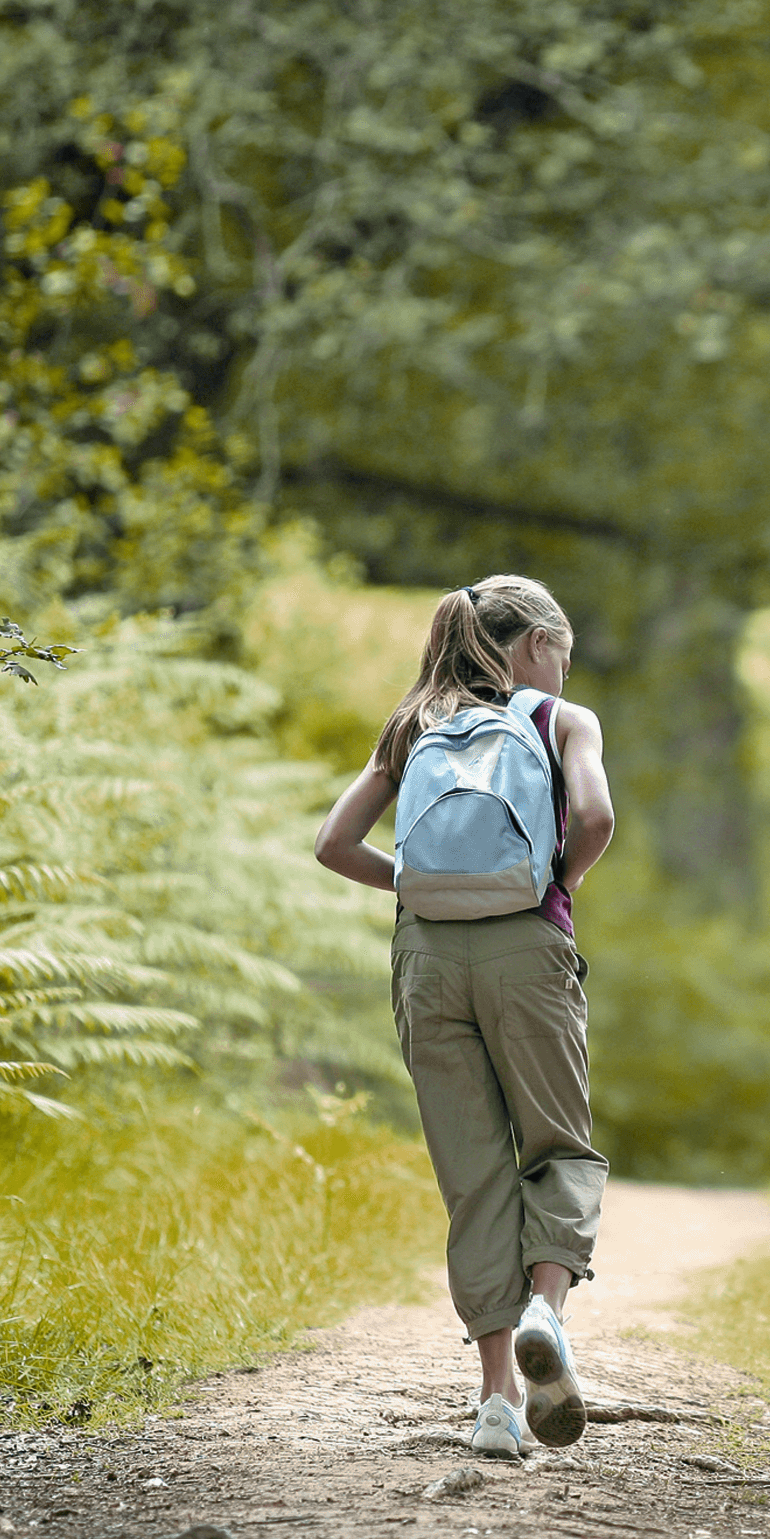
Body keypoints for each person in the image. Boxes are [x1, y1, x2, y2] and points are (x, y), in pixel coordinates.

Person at [314, 577, 616, 1459]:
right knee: (559, 1145)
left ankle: (494, 1403)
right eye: (560, 653)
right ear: (533, 647)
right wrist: (555, 881)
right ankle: (545, 1311)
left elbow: (334, 843)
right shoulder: (560, 719)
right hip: (527, 948)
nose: (564, 669)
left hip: (428, 960)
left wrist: (413, 885)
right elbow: (595, 814)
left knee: (473, 1173)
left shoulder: (411, 724)